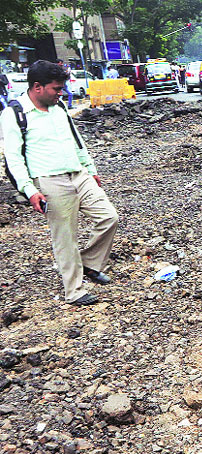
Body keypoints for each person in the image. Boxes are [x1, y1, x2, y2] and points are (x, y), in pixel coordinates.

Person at [1, 60, 119, 306]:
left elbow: (76, 142)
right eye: (56, 88)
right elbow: (13, 158)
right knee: (65, 237)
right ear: (37, 87)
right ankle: (74, 291)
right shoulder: (14, 113)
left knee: (109, 217)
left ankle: (88, 263)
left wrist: (90, 169)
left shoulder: (60, 107)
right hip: (49, 181)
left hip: (78, 174)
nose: (61, 93)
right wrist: (30, 190)